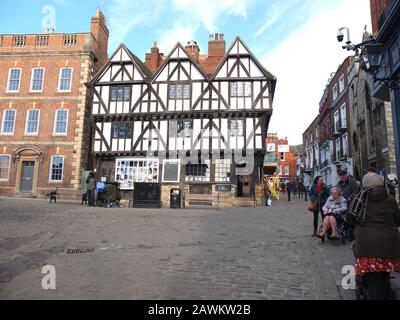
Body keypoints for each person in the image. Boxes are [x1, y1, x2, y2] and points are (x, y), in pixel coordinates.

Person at [346, 173, 400, 299]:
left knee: (364, 259)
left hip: (366, 245)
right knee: (385, 267)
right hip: (390, 245)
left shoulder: (359, 199)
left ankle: (362, 283)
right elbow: (398, 220)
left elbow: (350, 218)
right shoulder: (390, 199)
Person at [337, 170, 360, 241]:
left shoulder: (352, 182)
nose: (342, 177)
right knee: (342, 217)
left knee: (350, 217)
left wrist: (349, 198)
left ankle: (351, 233)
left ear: (346, 175)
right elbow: (338, 192)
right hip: (342, 203)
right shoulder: (339, 183)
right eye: (341, 176)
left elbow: (356, 191)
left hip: (351, 203)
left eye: (343, 175)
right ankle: (345, 231)